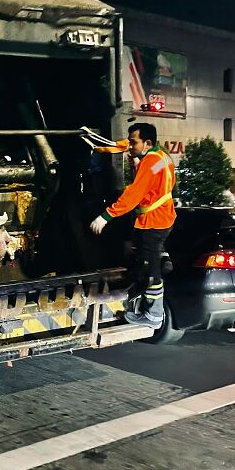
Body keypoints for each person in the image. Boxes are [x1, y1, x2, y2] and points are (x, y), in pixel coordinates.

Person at [90, 123, 176, 329]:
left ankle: (153, 315)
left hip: (152, 222)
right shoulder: (160, 156)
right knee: (149, 255)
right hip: (164, 218)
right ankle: (162, 258)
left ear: (147, 142)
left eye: (133, 142)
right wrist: (136, 162)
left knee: (151, 272)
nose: (129, 146)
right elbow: (154, 177)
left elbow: (134, 194)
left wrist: (106, 216)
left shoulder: (150, 162)